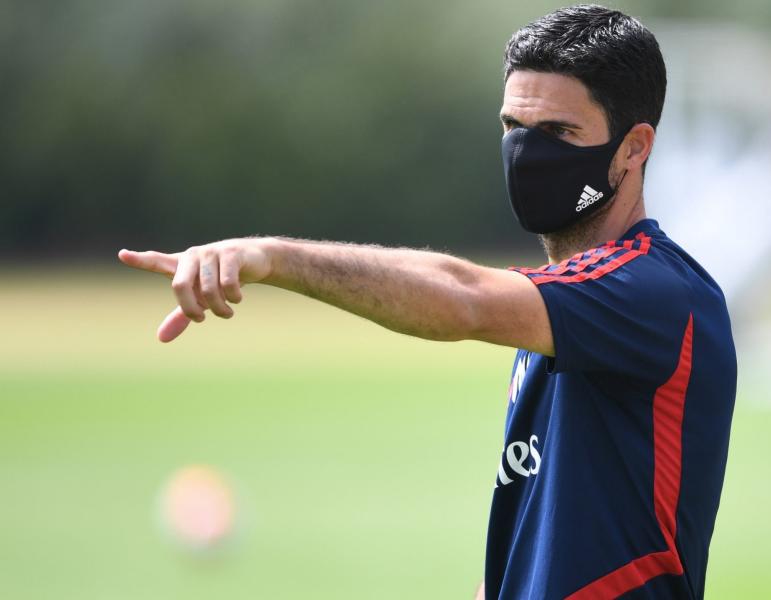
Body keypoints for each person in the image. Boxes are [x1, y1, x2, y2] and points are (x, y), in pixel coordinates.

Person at [119, 5, 736, 599]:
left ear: (634, 147)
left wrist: (270, 258)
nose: (526, 153)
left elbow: (463, 297)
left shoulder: (651, 293)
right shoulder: (564, 312)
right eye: (512, 128)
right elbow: (531, 533)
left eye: (558, 133)